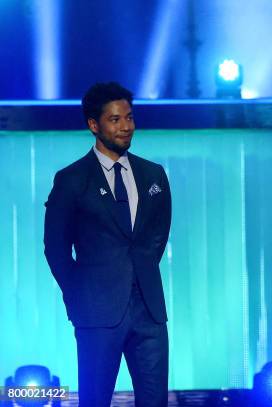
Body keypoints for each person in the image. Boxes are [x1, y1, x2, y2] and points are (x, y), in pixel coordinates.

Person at [44, 82, 172, 406]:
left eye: (129, 117)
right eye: (115, 119)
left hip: (149, 311)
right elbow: (56, 248)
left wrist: (138, 271)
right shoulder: (72, 179)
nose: (125, 126)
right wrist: (78, 295)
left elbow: (157, 236)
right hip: (96, 312)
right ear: (93, 125)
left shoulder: (153, 175)